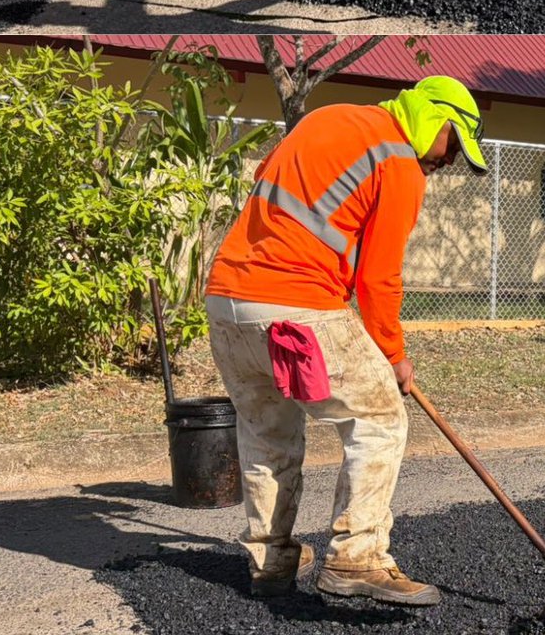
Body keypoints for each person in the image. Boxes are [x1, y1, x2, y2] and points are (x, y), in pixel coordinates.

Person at [205, 76, 488, 606]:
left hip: (226, 303)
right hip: (294, 304)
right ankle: (358, 557)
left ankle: (270, 560)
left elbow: (273, 198)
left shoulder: (327, 118)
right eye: (453, 144)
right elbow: (379, 278)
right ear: (436, 119)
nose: (449, 160)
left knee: (267, 432)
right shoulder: (397, 159)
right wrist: (394, 356)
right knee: (378, 417)